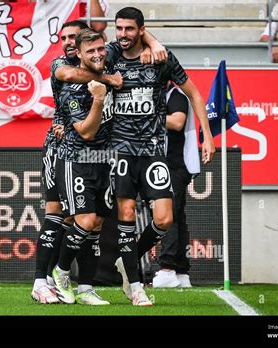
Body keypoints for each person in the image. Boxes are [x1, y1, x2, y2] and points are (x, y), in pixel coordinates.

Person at [104, 7, 215, 306]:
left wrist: (207, 136)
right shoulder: (112, 55)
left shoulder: (163, 59)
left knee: (164, 219)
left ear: (141, 30)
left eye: (130, 29)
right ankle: (136, 286)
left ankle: (127, 260)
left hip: (154, 151)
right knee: (126, 215)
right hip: (122, 150)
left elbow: (194, 94)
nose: (123, 34)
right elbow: (94, 54)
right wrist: (152, 41)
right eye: (119, 28)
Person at [32, 20, 121, 304]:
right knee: (58, 214)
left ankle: (84, 287)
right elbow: (68, 75)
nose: (68, 42)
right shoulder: (63, 65)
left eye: (73, 36)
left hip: (100, 157)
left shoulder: (104, 56)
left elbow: (133, 37)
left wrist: (154, 44)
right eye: (65, 37)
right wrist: (104, 85)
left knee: (88, 223)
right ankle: (43, 281)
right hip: (62, 151)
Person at [51, 28, 114, 305]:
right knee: (85, 221)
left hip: (104, 161)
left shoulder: (108, 61)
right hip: (76, 160)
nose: (98, 54)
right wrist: (99, 98)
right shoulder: (71, 90)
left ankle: (86, 288)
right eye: (91, 52)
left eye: (101, 49)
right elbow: (87, 132)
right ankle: (60, 272)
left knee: (97, 225)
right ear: (78, 54)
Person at [152, 84, 200, 288]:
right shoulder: (161, 94)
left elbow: (177, 122)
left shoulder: (176, 95)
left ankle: (167, 269)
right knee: (178, 217)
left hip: (175, 166)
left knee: (168, 215)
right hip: (170, 165)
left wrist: (145, 117)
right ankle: (181, 272)